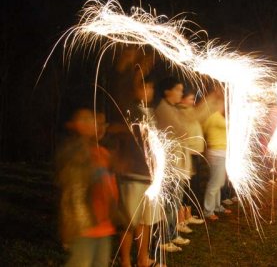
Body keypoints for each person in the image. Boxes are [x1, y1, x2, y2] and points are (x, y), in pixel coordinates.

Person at [107, 53, 164, 267]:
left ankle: (142, 259)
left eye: (150, 87)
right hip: (132, 174)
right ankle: (124, 262)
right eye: (144, 86)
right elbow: (118, 130)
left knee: (146, 222)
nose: (149, 90)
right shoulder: (128, 109)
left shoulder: (149, 113)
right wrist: (136, 69)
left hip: (149, 177)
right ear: (135, 88)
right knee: (129, 222)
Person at [56, 109, 118, 267]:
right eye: (87, 120)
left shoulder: (103, 153)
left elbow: (110, 185)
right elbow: (72, 191)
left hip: (104, 226)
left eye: (96, 121)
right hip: (85, 226)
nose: (96, 125)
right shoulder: (74, 153)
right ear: (74, 125)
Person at [154, 76, 191, 252]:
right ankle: (164, 238)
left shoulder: (172, 109)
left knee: (174, 203)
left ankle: (172, 234)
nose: (181, 93)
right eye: (178, 89)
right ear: (167, 91)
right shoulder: (164, 109)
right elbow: (183, 130)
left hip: (178, 165)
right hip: (170, 166)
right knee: (169, 204)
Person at [178, 87, 223, 224]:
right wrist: (210, 97)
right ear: (183, 99)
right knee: (187, 187)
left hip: (195, 153)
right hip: (188, 153)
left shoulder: (189, 111)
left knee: (193, 186)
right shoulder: (182, 112)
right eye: (190, 99)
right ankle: (182, 219)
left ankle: (188, 215)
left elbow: (202, 112)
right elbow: (201, 112)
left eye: (193, 99)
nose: (193, 102)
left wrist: (216, 99)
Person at [202, 97, 232, 220]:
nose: (223, 106)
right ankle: (208, 211)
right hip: (217, 153)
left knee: (219, 182)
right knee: (215, 183)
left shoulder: (216, 117)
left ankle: (217, 206)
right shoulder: (215, 117)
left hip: (220, 153)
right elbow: (230, 126)